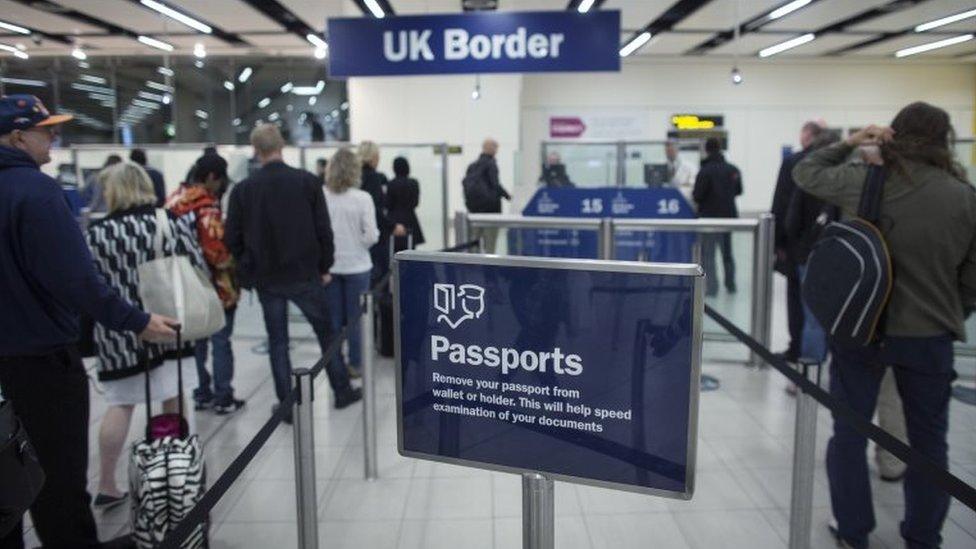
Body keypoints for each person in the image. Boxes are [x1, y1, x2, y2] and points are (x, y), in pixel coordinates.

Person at [794, 102, 976, 549]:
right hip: (929, 337)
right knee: (929, 443)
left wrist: (853, 141)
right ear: (943, 140)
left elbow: (807, 171)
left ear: (893, 136)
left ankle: (854, 532)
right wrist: (948, 311)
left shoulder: (866, 183)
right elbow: (972, 280)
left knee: (849, 434)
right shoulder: (964, 197)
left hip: (860, 331)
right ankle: (922, 536)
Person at [0, 94, 175, 549]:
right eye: (46, 130)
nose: (53, 137)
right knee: (57, 482)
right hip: (40, 364)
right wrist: (135, 320)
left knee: (4, 489)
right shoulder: (36, 192)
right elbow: (75, 280)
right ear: (18, 136)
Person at [86, 162, 206, 510]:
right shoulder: (167, 222)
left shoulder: (96, 233)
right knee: (172, 396)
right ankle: (173, 472)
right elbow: (194, 265)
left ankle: (107, 483)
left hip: (118, 332)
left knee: (119, 404)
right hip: (168, 326)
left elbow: (88, 284)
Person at [225, 124, 361, 416]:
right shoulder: (307, 182)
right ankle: (342, 390)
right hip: (305, 274)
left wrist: (249, 266)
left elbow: (231, 237)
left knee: (278, 342)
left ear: (255, 151)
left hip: (267, 278)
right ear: (282, 145)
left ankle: (288, 405)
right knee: (327, 334)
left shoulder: (243, 189)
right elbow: (323, 229)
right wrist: (324, 266)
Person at [167, 153, 244, 415]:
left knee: (197, 343)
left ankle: (202, 393)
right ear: (212, 178)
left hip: (184, 286)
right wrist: (238, 262)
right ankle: (224, 397)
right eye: (221, 182)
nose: (222, 187)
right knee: (221, 340)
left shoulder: (174, 199)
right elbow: (218, 254)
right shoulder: (207, 206)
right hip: (215, 287)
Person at [323, 148, 379, 378]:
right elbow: (372, 235)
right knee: (357, 320)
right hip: (358, 265)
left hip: (331, 267)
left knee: (334, 321)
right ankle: (356, 364)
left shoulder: (322, 195)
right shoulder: (362, 198)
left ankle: (336, 365)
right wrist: (358, 245)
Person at [771, 121, 825, 363]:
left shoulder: (796, 163)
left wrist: (778, 243)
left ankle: (800, 351)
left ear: (807, 135)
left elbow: (782, 204)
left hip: (799, 245)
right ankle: (822, 353)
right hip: (833, 245)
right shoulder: (840, 166)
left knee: (798, 299)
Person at [693, 137, 741, 296]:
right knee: (727, 252)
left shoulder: (704, 171)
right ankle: (730, 284)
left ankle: (712, 287)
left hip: (709, 218)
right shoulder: (733, 169)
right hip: (728, 218)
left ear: (706, 150)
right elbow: (739, 190)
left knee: (709, 254)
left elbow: (697, 195)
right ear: (720, 149)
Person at [358, 141, 404, 284]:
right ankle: (377, 305)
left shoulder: (356, 177)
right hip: (375, 235)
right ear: (372, 157)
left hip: (357, 234)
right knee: (379, 275)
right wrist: (392, 226)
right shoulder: (373, 177)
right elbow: (375, 209)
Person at [463, 138, 511, 252]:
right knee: (490, 243)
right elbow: (495, 185)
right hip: (491, 210)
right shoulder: (491, 164)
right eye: (496, 148)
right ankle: (489, 268)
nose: (497, 151)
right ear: (491, 148)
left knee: (473, 242)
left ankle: (473, 266)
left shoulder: (472, 166)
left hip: (474, 211)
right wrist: (508, 196)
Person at [387, 156, 425, 248]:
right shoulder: (414, 183)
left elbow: (388, 204)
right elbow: (415, 203)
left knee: (394, 250)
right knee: (410, 250)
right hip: (410, 219)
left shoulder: (391, 184)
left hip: (394, 220)